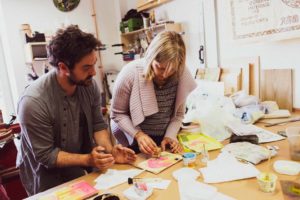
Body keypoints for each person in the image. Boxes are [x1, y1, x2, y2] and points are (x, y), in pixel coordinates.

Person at [17, 25, 136, 196]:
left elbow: (97, 124)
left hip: (78, 165)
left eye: (94, 64)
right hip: (45, 175)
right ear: (64, 68)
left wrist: (110, 151)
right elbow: (46, 156)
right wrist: (88, 158)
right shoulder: (33, 102)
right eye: (86, 68)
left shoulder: (88, 85)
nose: (94, 73)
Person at [110, 31, 197, 156]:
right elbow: (117, 114)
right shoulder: (130, 73)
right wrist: (138, 135)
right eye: (160, 68)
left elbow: (178, 115)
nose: (165, 75)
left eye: (172, 69)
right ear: (150, 58)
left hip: (162, 137)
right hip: (131, 137)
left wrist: (170, 136)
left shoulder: (182, 74)